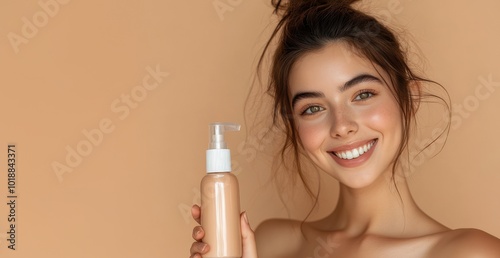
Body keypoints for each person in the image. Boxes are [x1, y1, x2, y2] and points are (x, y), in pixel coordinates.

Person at [190, 0, 500, 257]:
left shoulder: (472, 252)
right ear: (293, 125)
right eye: (313, 108)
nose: (342, 126)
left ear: (409, 99)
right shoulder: (271, 244)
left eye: (362, 95)